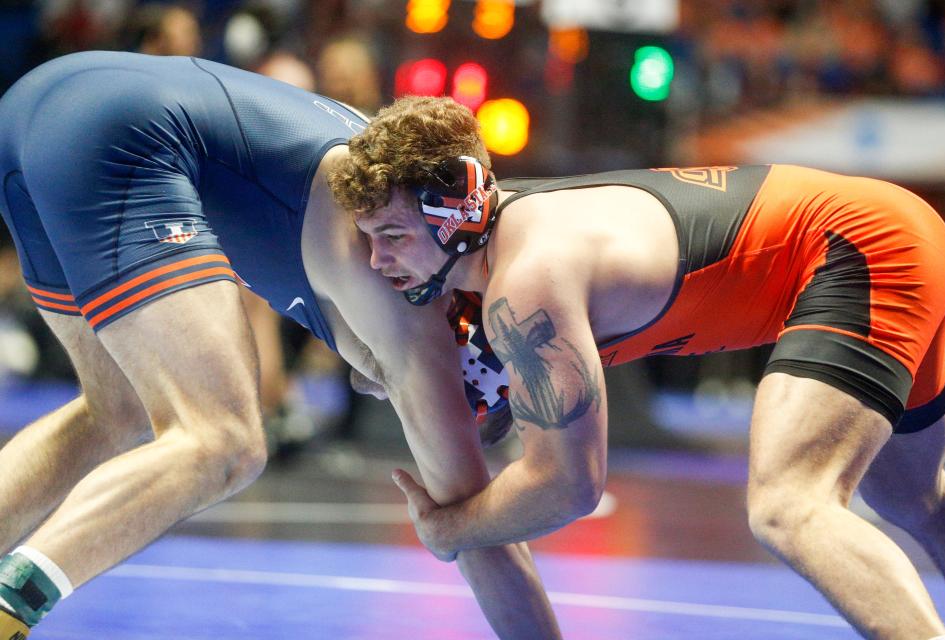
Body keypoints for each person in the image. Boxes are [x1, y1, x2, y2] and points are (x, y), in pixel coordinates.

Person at [329, 95, 945, 640]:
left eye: (393, 234)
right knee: (912, 495)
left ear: (452, 213)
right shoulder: (502, 244)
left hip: (862, 249)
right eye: (369, 239)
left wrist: (451, 528)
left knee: (789, 504)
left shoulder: (525, 283)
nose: (379, 260)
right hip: (888, 231)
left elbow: (568, 485)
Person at [0, 53, 561, 638]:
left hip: (44, 102)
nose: (398, 405)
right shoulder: (416, 321)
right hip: (114, 136)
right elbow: (482, 536)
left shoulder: (393, 182)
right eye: (461, 404)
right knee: (223, 442)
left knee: (118, 410)